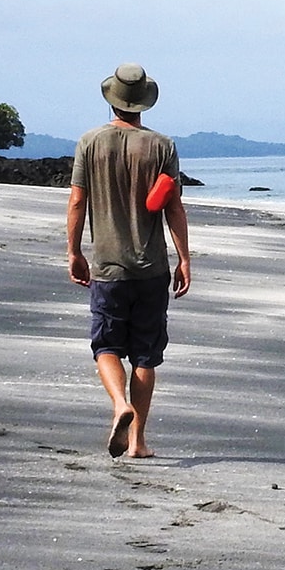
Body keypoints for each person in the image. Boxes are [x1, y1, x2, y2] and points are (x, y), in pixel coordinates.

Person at [67, 63, 192, 457]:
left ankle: (119, 405)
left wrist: (73, 252)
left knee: (105, 346)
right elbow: (172, 208)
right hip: (151, 268)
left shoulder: (89, 143)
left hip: (107, 265)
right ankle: (138, 441)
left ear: (113, 100)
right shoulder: (162, 147)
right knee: (145, 353)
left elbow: (76, 201)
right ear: (143, 104)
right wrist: (184, 258)